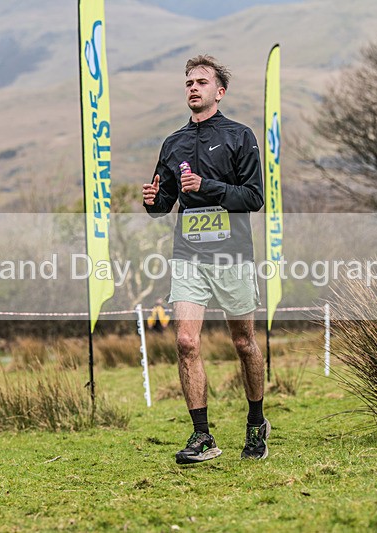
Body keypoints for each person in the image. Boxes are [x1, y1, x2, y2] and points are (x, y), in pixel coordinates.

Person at [142, 55, 268, 463]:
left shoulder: (239, 136)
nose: (193, 88)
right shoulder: (173, 143)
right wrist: (152, 202)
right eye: (188, 83)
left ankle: (255, 423)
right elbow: (164, 204)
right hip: (189, 256)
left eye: (201, 82)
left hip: (232, 254)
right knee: (185, 341)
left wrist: (209, 186)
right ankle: (202, 437)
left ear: (220, 91)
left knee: (244, 342)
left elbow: (254, 197)